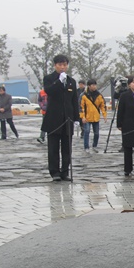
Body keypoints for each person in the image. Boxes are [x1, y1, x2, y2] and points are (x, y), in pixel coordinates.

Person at [41, 54, 79, 182]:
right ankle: (55, 172)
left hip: (67, 119)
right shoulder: (49, 78)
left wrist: (77, 118)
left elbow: (74, 101)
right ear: (55, 65)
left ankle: (65, 171)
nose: (62, 67)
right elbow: (49, 91)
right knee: (53, 148)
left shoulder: (71, 81)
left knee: (67, 149)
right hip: (53, 119)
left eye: (64, 65)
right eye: (60, 65)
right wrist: (59, 81)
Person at [80, 79, 107, 154]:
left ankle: (94, 145)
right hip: (87, 117)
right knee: (87, 131)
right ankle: (86, 147)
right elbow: (80, 107)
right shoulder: (84, 95)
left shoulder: (99, 95)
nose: (94, 87)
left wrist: (104, 115)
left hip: (96, 117)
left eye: (95, 85)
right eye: (93, 85)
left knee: (96, 133)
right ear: (89, 86)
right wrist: (82, 116)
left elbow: (103, 105)